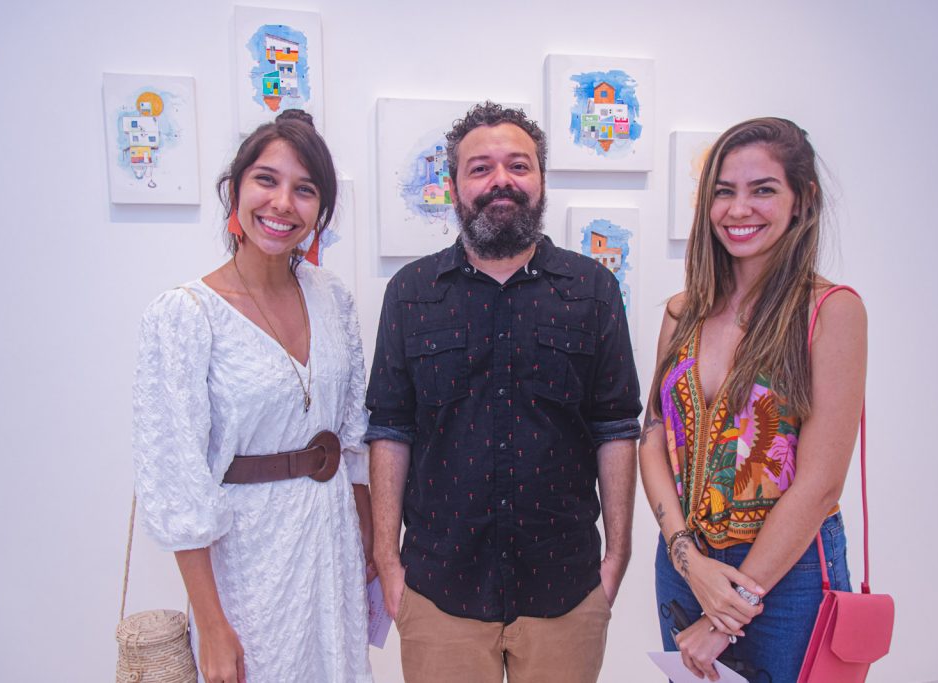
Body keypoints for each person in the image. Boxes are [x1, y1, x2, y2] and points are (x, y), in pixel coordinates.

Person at [365, 101, 642, 683]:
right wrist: (388, 563)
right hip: (440, 591)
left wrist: (617, 557)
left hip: (565, 589)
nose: (501, 182)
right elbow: (391, 429)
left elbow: (615, 425)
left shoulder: (591, 289)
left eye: (518, 166)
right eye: (481, 167)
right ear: (455, 185)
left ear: (541, 181)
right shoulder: (411, 293)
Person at [132, 109, 374, 683]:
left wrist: (367, 541)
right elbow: (177, 480)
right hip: (249, 559)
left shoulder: (333, 298)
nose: (283, 203)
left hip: (332, 541)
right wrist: (213, 628)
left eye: (305, 189)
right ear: (235, 188)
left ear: (321, 209)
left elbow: (354, 432)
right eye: (267, 179)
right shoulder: (186, 315)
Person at [639, 117, 867, 682]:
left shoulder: (831, 311)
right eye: (724, 192)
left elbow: (820, 486)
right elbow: (652, 436)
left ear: (802, 200)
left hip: (785, 574)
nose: (739, 209)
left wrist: (729, 612)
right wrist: (688, 560)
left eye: (763, 189)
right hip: (685, 561)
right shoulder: (682, 311)